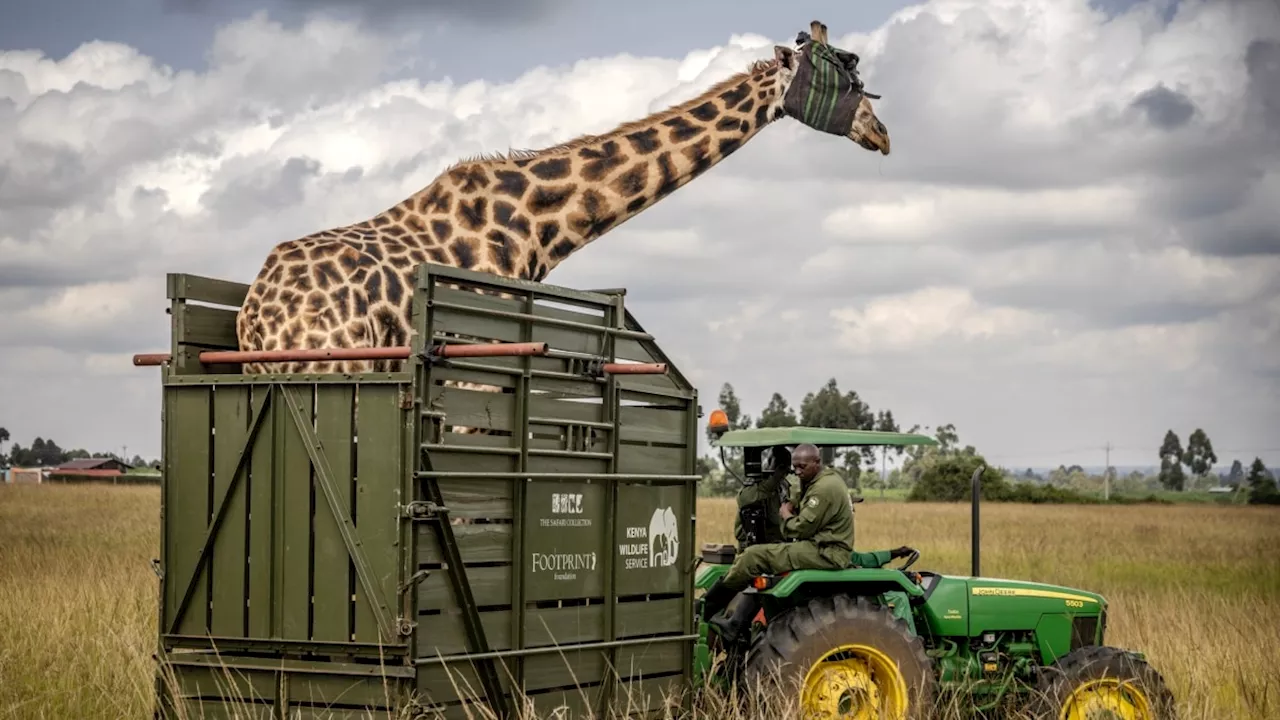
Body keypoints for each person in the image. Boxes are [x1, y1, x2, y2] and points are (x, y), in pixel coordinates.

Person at [701, 443, 855, 640]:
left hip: (822, 549)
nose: (796, 471)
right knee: (755, 561)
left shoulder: (818, 487)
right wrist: (773, 481)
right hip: (805, 544)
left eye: (801, 467)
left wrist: (786, 514)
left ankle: (710, 612)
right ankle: (722, 616)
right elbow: (747, 499)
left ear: (817, 463)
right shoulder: (775, 483)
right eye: (793, 466)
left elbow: (801, 525)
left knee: (754, 558)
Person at [733, 445, 793, 548]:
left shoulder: (784, 486)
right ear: (770, 463)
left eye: (786, 468)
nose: (784, 472)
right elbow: (743, 499)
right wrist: (773, 479)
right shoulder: (757, 483)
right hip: (755, 544)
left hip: (778, 541)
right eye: (780, 466)